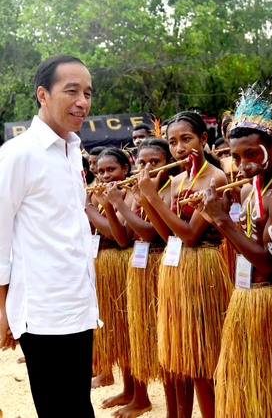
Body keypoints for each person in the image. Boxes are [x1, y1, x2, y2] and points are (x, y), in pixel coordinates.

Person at [0, 55, 98, 417]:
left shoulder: (73, 152)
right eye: (71, 91)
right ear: (42, 94)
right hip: (43, 312)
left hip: (79, 305)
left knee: (76, 405)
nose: (82, 102)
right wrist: (3, 309)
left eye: (87, 93)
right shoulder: (17, 155)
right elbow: (0, 237)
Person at [196, 81, 272, 418]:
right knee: (247, 391)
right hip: (245, 296)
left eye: (252, 154)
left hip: (270, 298)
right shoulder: (246, 189)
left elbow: (268, 263)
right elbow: (245, 240)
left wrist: (222, 222)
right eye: (236, 156)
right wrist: (225, 215)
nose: (242, 165)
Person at [137, 111, 233, 418]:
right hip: (178, 268)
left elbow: (191, 235)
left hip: (205, 268)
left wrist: (153, 198)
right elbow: (168, 236)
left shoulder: (215, 178)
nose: (179, 148)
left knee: (206, 357)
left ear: (204, 140)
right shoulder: (178, 179)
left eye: (186, 140)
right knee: (191, 356)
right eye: (173, 142)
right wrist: (148, 202)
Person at [100, 138, 173, 417]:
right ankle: (133, 392)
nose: (106, 176)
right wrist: (106, 205)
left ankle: (142, 397)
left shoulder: (163, 188)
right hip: (138, 264)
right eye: (144, 163)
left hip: (159, 264)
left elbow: (143, 233)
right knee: (135, 332)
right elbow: (121, 236)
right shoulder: (132, 191)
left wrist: (111, 204)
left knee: (155, 336)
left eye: (154, 162)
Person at [86, 148, 137, 413]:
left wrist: (90, 207)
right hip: (103, 265)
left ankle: (138, 394)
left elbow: (118, 234)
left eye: (111, 170)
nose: (105, 176)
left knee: (130, 331)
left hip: (124, 263)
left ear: (125, 169)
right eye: (101, 171)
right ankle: (127, 390)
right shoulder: (100, 190)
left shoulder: (128, 192)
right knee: (116, 330)